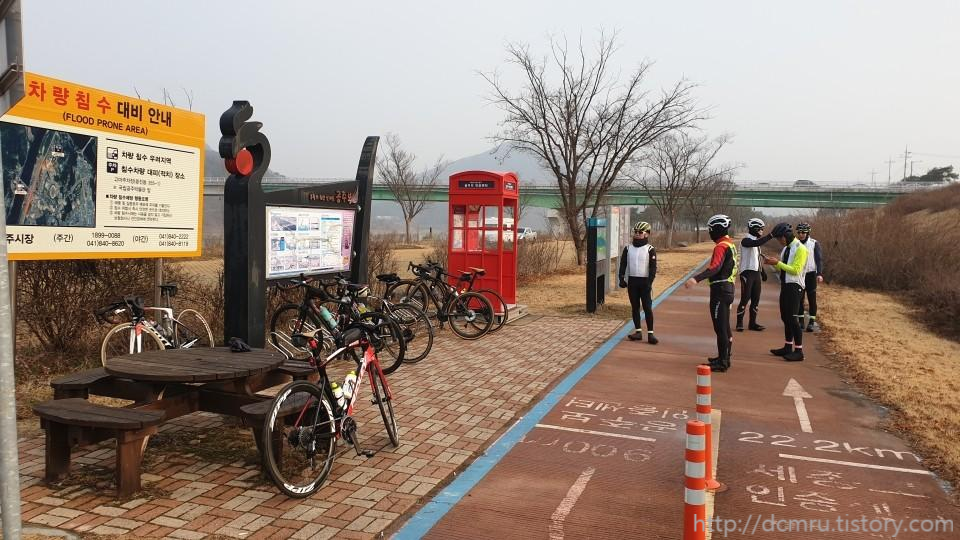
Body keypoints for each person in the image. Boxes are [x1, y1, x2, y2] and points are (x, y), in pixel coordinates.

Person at [685, 214, 738, 372]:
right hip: (728, 289)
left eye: (711, 229)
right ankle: (725, 357)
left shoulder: (721, 246)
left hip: (720, 291)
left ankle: (722, 362)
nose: (710, 232)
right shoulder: (730, 244)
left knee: (720, 328)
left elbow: (715, 267)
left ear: (717, 229)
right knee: (725, 327)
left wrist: (696, 279)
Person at [763, 223, 808, 362]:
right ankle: (788, 346)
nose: (779, 241)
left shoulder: (800, 249)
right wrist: (772, 263)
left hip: (795, 286)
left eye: (779, 239)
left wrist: (777, 263)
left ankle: (799, 351)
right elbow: (784, 268)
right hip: (786, 285)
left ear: (785, 236)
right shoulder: (786, 249)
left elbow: (796, 270)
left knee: (793, 319)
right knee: (785, 317)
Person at [618, 221, 659, 344]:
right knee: (635, 307)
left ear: (647, 234)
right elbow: (623, 264)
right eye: (635, 232)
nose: (636, 234)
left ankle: (650, 334)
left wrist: (649, 282)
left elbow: (653, 268)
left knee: (647, 308)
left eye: (640, 232)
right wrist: (621, 278)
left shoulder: (650, 249)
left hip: (645, 282)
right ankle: (638, 332)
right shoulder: (628, 248)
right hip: (632, 282)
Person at [736, 218, 774, 332]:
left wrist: (762, 272)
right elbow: (755, 243)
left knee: (756, 299)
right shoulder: (746, 240)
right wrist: (771, 235)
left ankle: (752, 323)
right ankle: (739, 323)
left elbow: (757, 258)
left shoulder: (757, 243)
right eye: (760, 229)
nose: (762, 231)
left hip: (756, 273)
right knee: (745, 298)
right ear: (754, 229)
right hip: (746, 273)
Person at [795, 222, 823, 332]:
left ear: (808, 233)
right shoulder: (795, 244)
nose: (801, 234)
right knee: (799, 299)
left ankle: (811, 322)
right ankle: (801, 321)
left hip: (811, 275)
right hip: (800, 275)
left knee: (812, 299)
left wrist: (819, 274)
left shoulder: (814, 243)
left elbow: (819, 260)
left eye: (803, 232)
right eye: (799, 232)